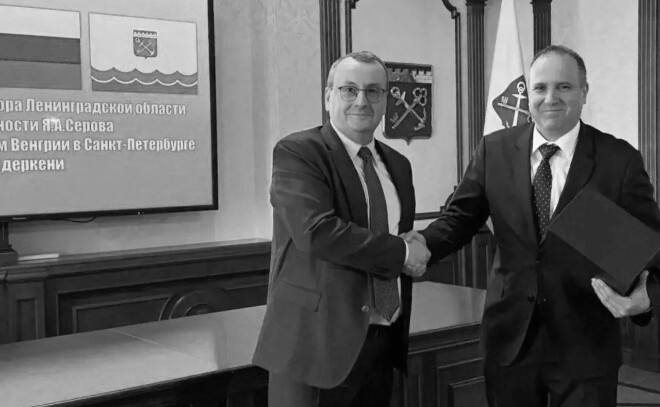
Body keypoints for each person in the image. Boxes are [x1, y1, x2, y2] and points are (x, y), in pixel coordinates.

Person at [404, 44, 660, 407]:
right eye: (540, 87)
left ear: (584, 91)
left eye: (564, 87)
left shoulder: (619, 160)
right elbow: (460, 219)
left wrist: (647, 301)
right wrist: (417, 247)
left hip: (586, 343)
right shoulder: (495, 149)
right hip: (510, 339)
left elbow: (651, 246)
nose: (550, 98)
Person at [252, 50, 430, 407]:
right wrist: (403, 253)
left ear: (385, 100)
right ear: (328, 96)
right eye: (349, 89)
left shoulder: (398, 164)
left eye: (373, 91)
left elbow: (394, 239)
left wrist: (411, 252)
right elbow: (317, 233)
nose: (361, 101)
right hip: (313, 345)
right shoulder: (299, 151)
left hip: (381, 341)